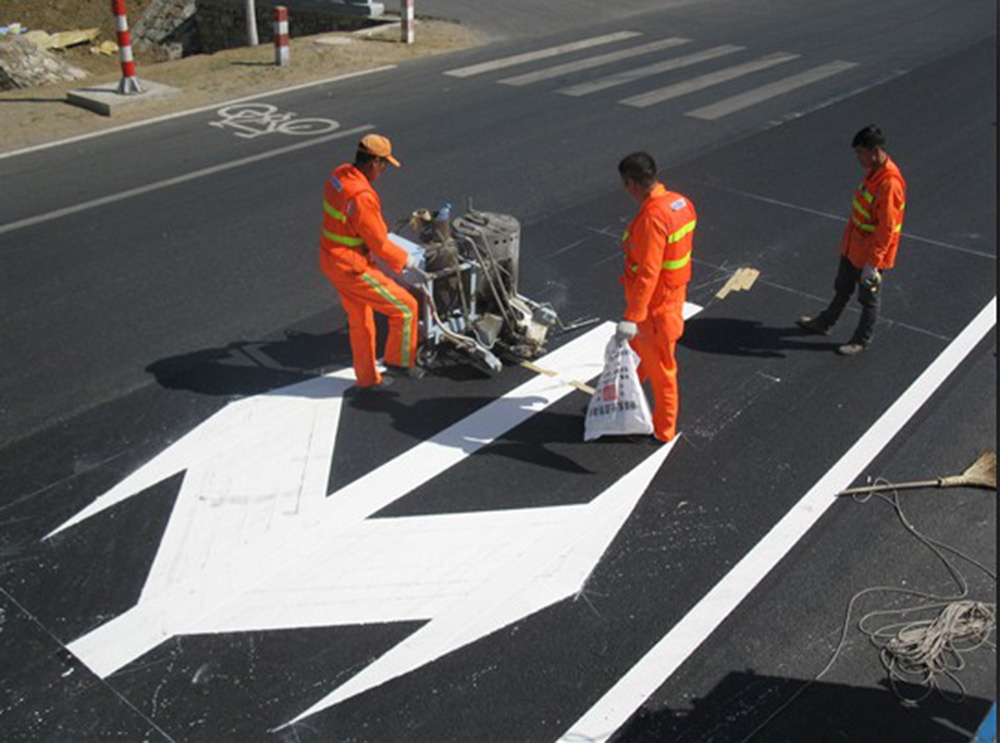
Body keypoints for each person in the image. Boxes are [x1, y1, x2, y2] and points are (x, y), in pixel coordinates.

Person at [320, 133, 424, 388]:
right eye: (384, 164)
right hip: (352, 266)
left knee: (361, 322)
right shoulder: (362, 196)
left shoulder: (339, 175)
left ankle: (367, 380)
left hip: (331, 259)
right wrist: (406, 260)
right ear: (374, 162)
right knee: (406, 308)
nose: (383, 170)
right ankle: (399, 362)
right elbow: (378, 243)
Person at [798, 125, 907, 355]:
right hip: (854, 245)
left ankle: (861, 340)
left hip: (870, 253)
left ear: (874, 150)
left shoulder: (889, 184)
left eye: (860, 153)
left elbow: (886, 229)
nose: (858, 158)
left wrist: (874, 263)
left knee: (868, 299)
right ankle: (825, 322)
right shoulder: (874, 173)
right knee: (843, 288)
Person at [616, 151, 696, 443]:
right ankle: (626, 399)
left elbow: (649, 270)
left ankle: (664, 429)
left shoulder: (653, 216)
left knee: (662, 369)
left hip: (655, 308)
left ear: (633, 183)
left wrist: (633, 317)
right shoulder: (680, 203)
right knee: (639, 354)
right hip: (670, 297)